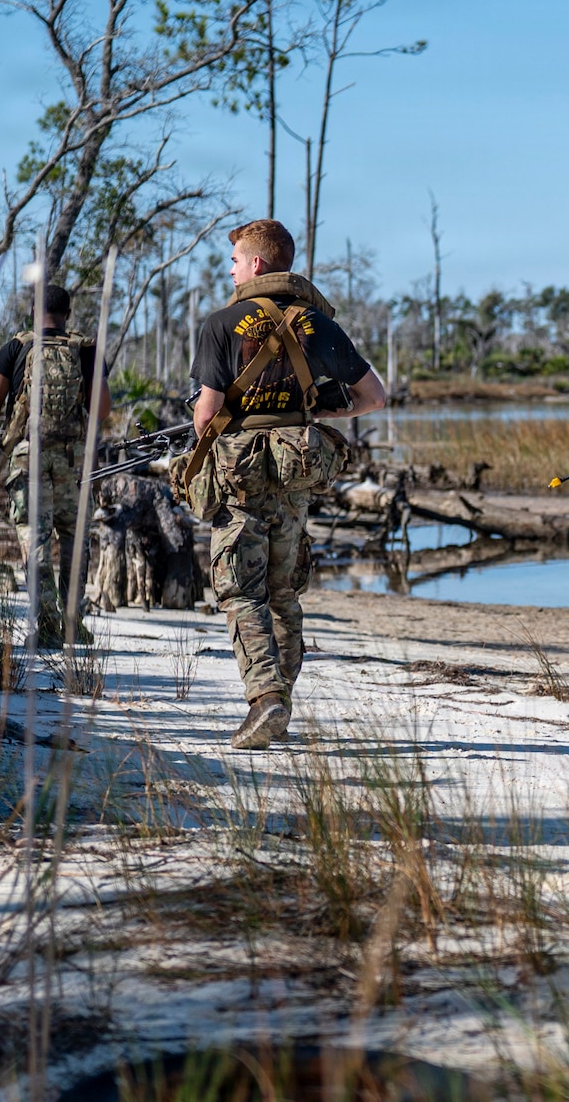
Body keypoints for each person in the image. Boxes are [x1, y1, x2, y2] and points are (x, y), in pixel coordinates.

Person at [186, 220, 386, 750]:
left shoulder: (221, 324)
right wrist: (317, 406)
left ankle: (265, 699)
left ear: (256, 265)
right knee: (283, 591)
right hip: (295, 476)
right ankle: (279, 705)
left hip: (241, 477)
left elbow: (205, 415)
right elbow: (374, 397)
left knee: (238, 589)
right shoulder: (318, 324)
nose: (229, 270)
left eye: (234, 261)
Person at [0, 283, 111, 648]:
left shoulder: (15, 348)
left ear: (34, 311)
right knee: (74, 539)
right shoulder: (86, 350)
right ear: (69, 314)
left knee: (35, 538)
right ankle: (72, 622)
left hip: (27, 456)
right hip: (73, 460)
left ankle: (46, 623)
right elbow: (103, 411)